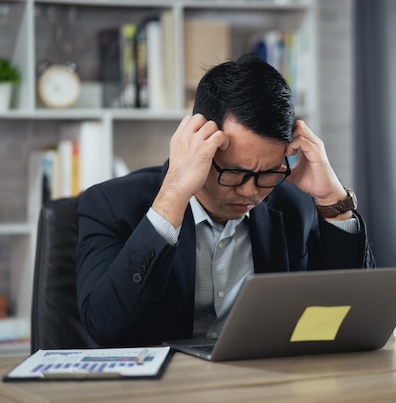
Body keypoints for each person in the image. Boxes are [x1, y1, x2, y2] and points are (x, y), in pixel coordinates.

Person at [75, 54, 376, 347]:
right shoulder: (111, 205)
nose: (250, 192)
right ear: (198, 143)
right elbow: (104, 328)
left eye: (268, 173)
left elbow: (353, 316)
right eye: (234, 171)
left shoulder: (293, 207)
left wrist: (332, 200)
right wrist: (172, 198)